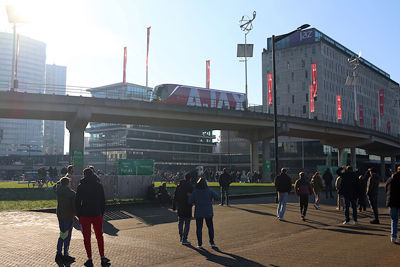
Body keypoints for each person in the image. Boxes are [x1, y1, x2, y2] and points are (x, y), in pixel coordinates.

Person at [75, 168, 110, 267]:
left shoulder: (81, 186)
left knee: (86, 238)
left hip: (85, 215)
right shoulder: (98, 185)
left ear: (84, 175)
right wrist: (101, 213)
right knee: (99, 236)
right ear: (93, 174)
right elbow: (102, 201)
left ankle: (89, 258)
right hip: (97, 213)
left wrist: (79, 214)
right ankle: (102, 257)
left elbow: (77, 202)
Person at [189, 177, 219, 248]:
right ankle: (211, 242)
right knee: (210, 227)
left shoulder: (195, 191)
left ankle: (200, 244)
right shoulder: (209, 190)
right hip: (208, 210)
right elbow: (217, 197)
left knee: (199, 228)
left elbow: (190, 201)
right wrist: (212, 200)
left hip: (199, 210)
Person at [53, 177, 76, 265]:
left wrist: (59, 183)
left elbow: (54, 187)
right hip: (68, 216)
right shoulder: (71, 193)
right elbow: (74, 206)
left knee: (62, 234)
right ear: (68, 183)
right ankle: (65, 254)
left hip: (60, 214)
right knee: (67, 235)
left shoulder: (58, 190)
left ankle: (59, 253)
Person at [173, 173, 194, 245]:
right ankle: (184, 239)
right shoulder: (190, 186)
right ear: (190, 178)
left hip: (180, 206)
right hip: (188, 207)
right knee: (187, 223)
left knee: (180, 222)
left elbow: (175, 197)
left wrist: (174, 206)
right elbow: (193, 196)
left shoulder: (179, 186)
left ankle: (181, 236)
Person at [386, 166, 400, 243]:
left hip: (392, 202)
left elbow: (386, 189)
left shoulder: (390, 179)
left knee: (394, 220)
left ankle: (393, 236)